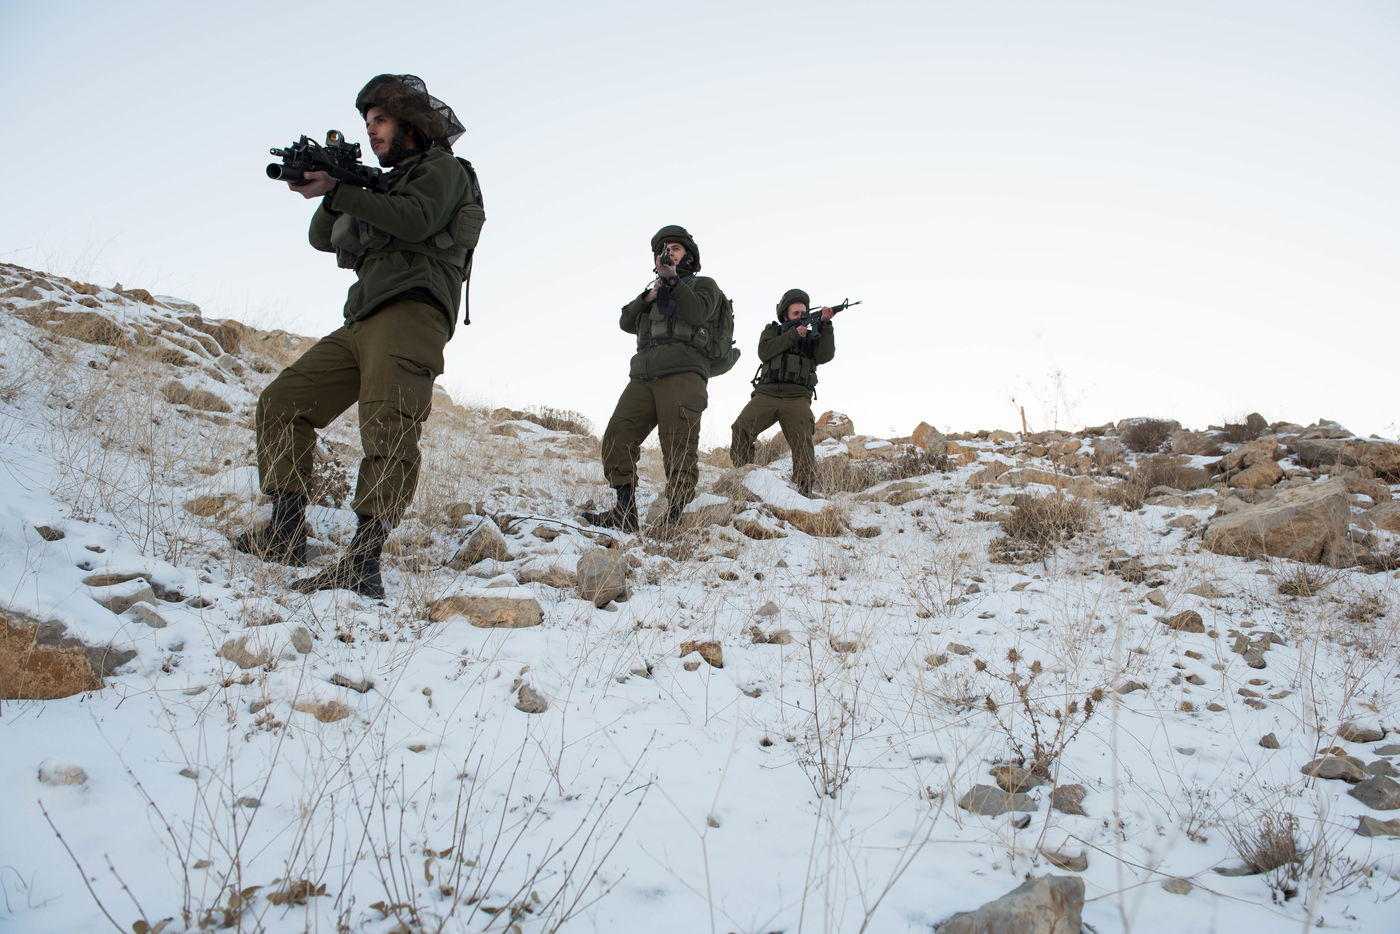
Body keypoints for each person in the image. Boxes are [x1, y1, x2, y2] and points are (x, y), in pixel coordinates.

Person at [234, 74, 484, 598]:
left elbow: (417, 220)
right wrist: (336, 186)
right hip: (364, 317)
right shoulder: (381, 183)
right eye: (366, 124)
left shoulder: (444, 170)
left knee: (387, 429)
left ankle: (362, 563)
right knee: (282, 402)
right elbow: (321, 237)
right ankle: (284, 533)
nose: (371, 132)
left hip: (412, 312)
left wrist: (346, 187)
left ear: (410, 125)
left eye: (380, 121)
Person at [582, 225, 724, 532]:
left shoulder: (704, 285)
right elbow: (625, 322)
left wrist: (675, 282)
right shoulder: (653, 291)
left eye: (675, 247)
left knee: (678, 447)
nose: (669, 252)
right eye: (664, 249)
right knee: (617, 436)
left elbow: (699, 314)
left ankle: (674, 519)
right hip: (644, 377)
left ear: (689, 255)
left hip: (684, 374)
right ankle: (624, 511)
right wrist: (649, 295)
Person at [729, 288, 835, 497]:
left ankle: (804, 491)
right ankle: (745, 477)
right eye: (796, 314)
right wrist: (794, 334)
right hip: (767, 394)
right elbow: (765, 352)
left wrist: (826, 324)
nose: (800, 317)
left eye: (804, 313)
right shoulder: (773, 331)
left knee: (803, 440)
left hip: (797, 397)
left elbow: (825, 355)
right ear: (785, 315)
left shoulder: (814, 335)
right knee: (741, 427)